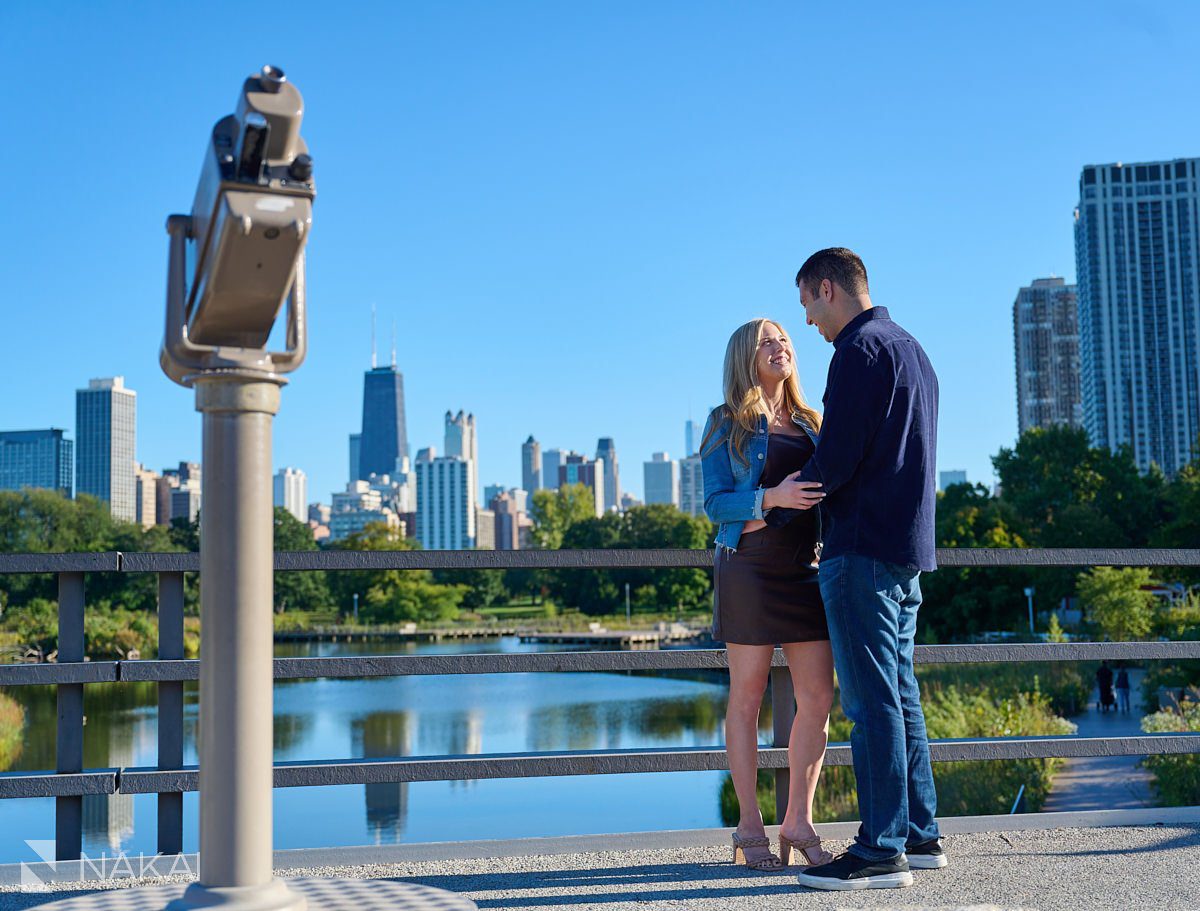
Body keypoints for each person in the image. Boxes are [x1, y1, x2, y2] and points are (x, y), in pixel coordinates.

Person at [782, 249, 943, 891]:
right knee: (901, 692)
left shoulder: (858, 351)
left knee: (871, 699)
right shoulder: (913, 350)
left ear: (828, 289)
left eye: (808, 306)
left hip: (860, 548)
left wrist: (792, 491)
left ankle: (879, 849)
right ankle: (919, 834)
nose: (811, 324)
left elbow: (841, 454)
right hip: (907, 547)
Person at [700, 318, 835, 872]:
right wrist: (769, 497)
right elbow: (714, 504)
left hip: (807, 571)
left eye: (783, 339)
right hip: (750, 571)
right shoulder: (725, 422)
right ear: (744, 357)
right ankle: (749, 822)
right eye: (766, 341)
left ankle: (799, 819)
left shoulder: (813, 422)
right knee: (747, 701)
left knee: (819, 700)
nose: (779, 346)